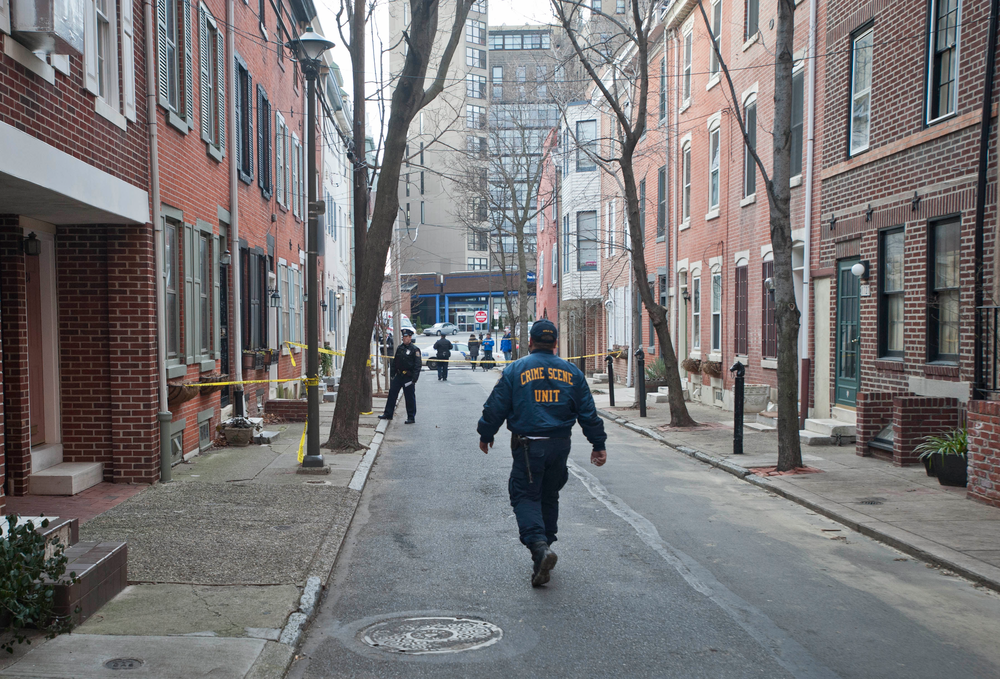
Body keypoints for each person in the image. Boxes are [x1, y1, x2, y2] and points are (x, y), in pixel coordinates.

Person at [477, 320, 607, 587]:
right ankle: (544, 551)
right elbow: (588, 413)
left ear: (530, 342)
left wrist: (486, 434)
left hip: (528, 446)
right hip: (560, 444)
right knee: (549, 495)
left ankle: (539, 547)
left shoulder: (516, 369)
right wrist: (598, 444)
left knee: (525, 494)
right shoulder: (573, 372)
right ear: (555, 344)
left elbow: (496, 406)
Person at [379, 328, 421, 423]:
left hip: (408, 376)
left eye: (406, 337)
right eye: (403, 337)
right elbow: (395, 361)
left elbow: (417, 365)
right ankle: (388, 414)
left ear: (410, 337)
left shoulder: (415, 350)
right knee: (392, 394)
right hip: (399, 375)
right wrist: (392, 374)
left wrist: (414, 378)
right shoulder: (400, 348)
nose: (404, 338)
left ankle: (411, 417)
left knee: (409, 397)